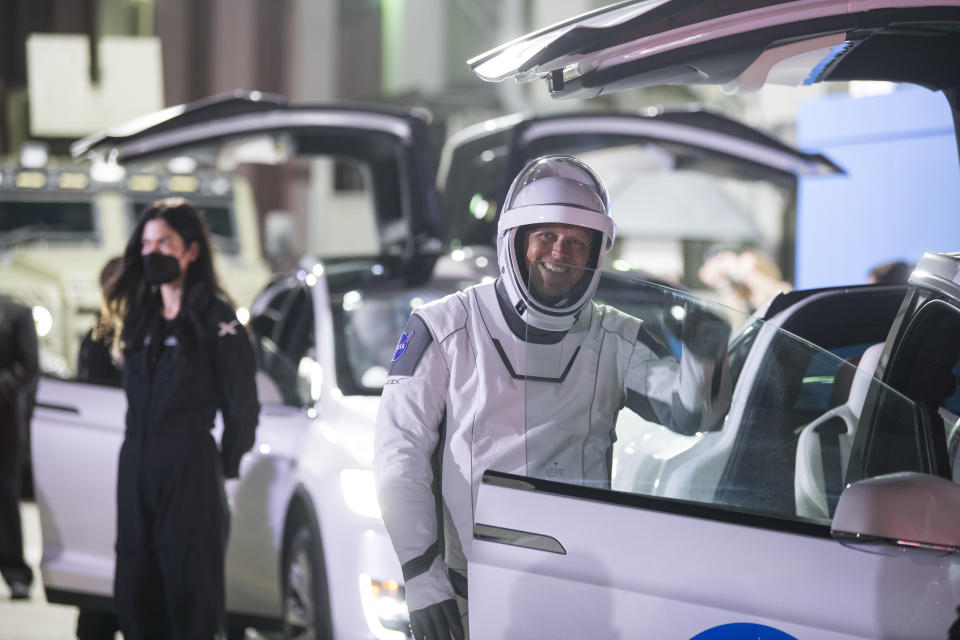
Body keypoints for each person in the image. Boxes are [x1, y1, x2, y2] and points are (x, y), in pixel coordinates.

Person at [374, 155, 731, 640]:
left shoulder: (615, 336)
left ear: (594, 255)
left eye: (576, 242)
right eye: (546, 236)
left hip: (580, 591)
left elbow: (692, 414)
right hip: (468, 591)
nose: (560, 252)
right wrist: (422, 579)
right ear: (515, 241)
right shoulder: (443, 328)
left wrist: (704, 356)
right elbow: (400, 458)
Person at [105, 197, 259, 639]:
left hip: (189, 462)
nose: (154, 252)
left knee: (190, 590)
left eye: (165, 242)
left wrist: (222, 465)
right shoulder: (138, 319)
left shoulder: (218, 320)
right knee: (135, 587)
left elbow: (242, 408)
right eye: (148, 243)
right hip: (135, 460)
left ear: (191, 250)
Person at [0, 295, 39, 601]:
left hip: (4, 419)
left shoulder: (17, 313)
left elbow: (28, 365)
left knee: (5, 496)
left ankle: (15, 572)